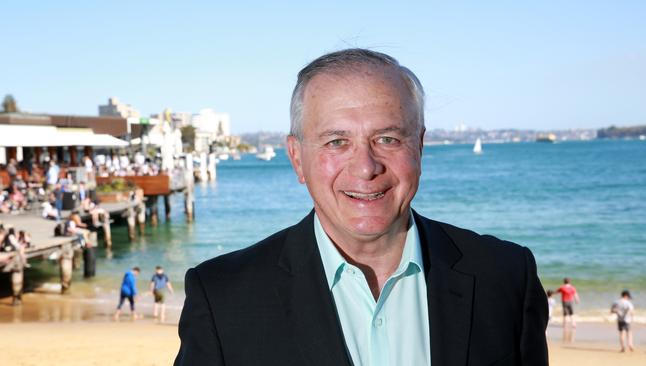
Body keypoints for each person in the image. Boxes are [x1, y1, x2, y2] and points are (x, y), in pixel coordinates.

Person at [174, 49, 549, 366]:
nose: (367, 167)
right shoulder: (223, 299)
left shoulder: (506, 277)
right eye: (337, 142)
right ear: (297, 158)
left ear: (418, 147)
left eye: (387, 138)